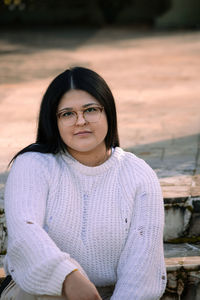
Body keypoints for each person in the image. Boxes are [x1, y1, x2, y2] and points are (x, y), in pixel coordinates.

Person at [1, 66, 167, 300]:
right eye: (67, 114)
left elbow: (142, 266)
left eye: (90, 110)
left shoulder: (139, 174)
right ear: (54, 121)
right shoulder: (33, 165)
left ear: (108, 112)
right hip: (39, 292)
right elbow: (25, 233)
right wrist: (67, 277)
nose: (80, 121)